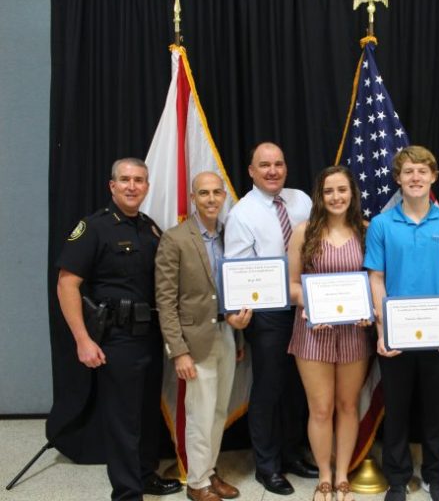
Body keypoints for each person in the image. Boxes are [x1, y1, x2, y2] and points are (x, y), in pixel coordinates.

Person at [56, 158, 182, 500]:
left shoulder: (150, 228)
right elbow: (67, 285)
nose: (132, 186)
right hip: (117, 337)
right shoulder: (94, 227)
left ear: (147, 187)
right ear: (112, 186)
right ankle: (127, 493)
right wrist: (83, 340)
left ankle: (144, 475)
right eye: (125, 180)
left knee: (145, 413)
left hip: (150, 335)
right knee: (124, 420)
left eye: (139, 180)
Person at [364, 145, 439, 501]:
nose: (415, 178)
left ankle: (434, 477)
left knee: (437, 410)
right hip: (396, 335)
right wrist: (383, 332)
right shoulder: (381, 224)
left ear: (433, 177)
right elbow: (376, 278)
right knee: (396, 409)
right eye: (408, 172)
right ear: (398, 178)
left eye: (422, 171)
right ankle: (397, 479)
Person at [224, 142, 318, 495]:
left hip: (306, 309)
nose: (273, 171)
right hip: (268, 316)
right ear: (251, 171)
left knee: (297, 387)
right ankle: (267, 466)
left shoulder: (302, 202)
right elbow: (239, 272)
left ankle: (292, 454)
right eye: (264, 165)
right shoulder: (242, 213)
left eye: (278, 164)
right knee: (268, 389)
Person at [286, 165, 374, 501]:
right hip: (313, 330)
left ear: (352, 193)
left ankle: (342, 476)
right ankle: (324, 475)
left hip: (355, 332)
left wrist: (369, 310)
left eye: (342, 190)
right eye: (328, 191)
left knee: (348, 405)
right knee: (320, 408)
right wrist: (310, 304)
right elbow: (291, 286)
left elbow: (376, 282)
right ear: (319, 196)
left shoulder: (366, 231)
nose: (336, 197)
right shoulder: (303, 232)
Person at [155, 172, 242, 501]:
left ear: (223, 197)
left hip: (227, 334)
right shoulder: (175, 239)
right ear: (193, 198)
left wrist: (241, 336)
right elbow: (165, 301)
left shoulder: (229, 237)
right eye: (203, 193)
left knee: (219, 411)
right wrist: (178, 351)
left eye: (216, 193)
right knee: (199, 414)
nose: (210, 199)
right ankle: (196, 483)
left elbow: (235, 290)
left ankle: (209, 472)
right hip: (195, 342)